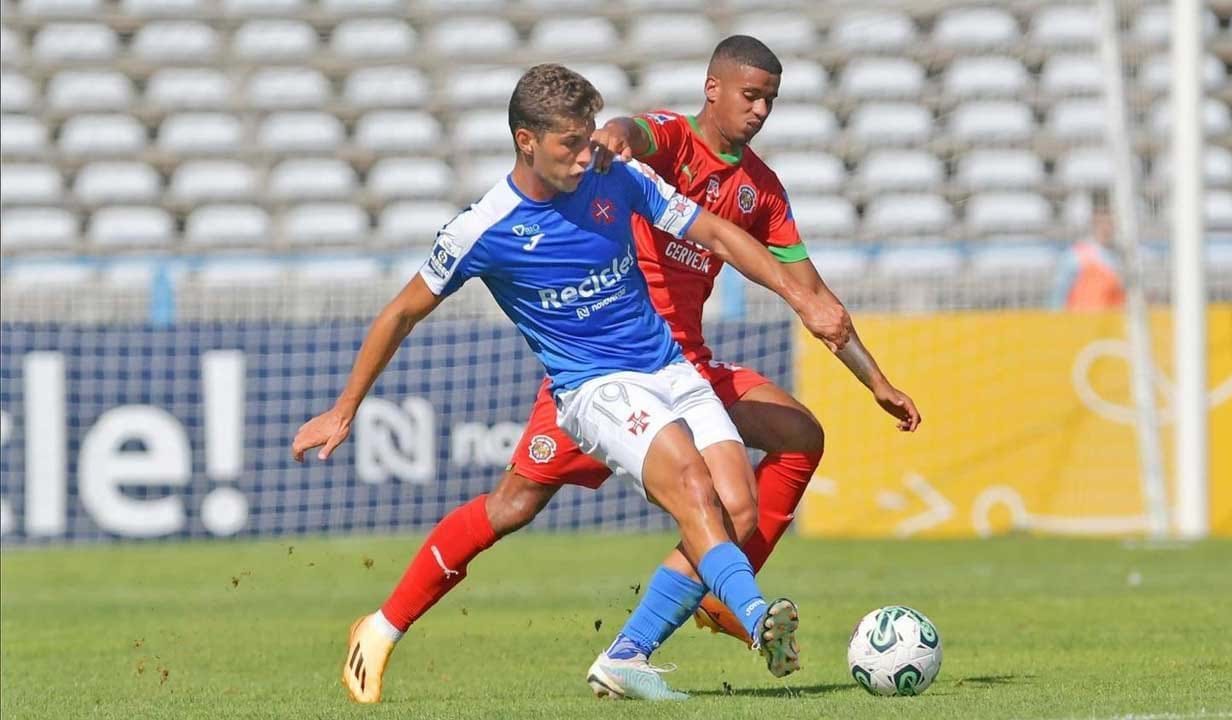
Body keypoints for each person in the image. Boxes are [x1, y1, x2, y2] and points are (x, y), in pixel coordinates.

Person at [319, 36, 923, 703]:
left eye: (587, 142)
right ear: (527, 142)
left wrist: (821, 318)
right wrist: (346, 407)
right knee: (531, 503)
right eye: (569, 145)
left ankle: (634, 651)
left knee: (737, 507)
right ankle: (382, 626)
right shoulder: (487, 225)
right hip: (591, 387)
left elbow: (717, 234)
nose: (586, 157)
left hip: (670, 364)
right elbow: (402, 312)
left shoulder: (625, 177)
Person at [1051, 190, 1127, 311]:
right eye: (1103, 218)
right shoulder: (1075, 256)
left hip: (1112, 325)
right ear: (1094, 220)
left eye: (1111, 219)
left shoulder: (1121, 257)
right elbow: (1057, 297)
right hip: (1082, 325)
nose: (1108, 225)